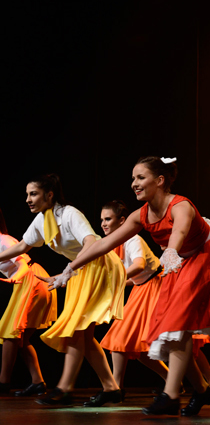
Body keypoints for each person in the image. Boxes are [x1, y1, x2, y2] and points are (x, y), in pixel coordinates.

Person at [59, 157, 210, 416]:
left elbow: (178, 233)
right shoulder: (140, 215)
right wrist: (71, 267)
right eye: (133, 178)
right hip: (179, 259)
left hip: (206, 253)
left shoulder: (181, 205)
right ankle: (201, 390)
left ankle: (171, 395)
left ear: (160, 180)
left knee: (178, 322)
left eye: (140, 178)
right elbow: (102, 244)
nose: (134, 183)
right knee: (169, 325)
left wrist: (170, 253)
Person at [0, 174, 126, 406]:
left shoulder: (69, 214)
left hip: (99, 264)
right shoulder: (41, 220)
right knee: (84, 336)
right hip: (80, 269)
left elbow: (91, 241)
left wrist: (69, 268)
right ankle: (111, 388)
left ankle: (64, 388)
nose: (28, 199)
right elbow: (22, 246)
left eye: (33, 194)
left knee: (76, 328)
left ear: (49, 195)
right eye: (27, 194)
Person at [97, 200, 169, 397]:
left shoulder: (132, 240)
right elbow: (132, 277)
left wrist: (115, 279)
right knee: (139, 348)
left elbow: (138, 266)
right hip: (141, 288)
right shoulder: (113, 245)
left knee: (123, 337)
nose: (103, 223)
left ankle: (115, 387)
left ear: (122, 221)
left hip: (156, 287)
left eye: (108, 219)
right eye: (102, 219)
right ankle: (173, 382)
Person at [0, 207, 57, 397]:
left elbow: (23, 264)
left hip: (32, 280)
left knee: (10, 332)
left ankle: (3, 383)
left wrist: (12, 279)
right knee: (21, 340)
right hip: (29, 282)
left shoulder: (4, 240)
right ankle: (37, 382)